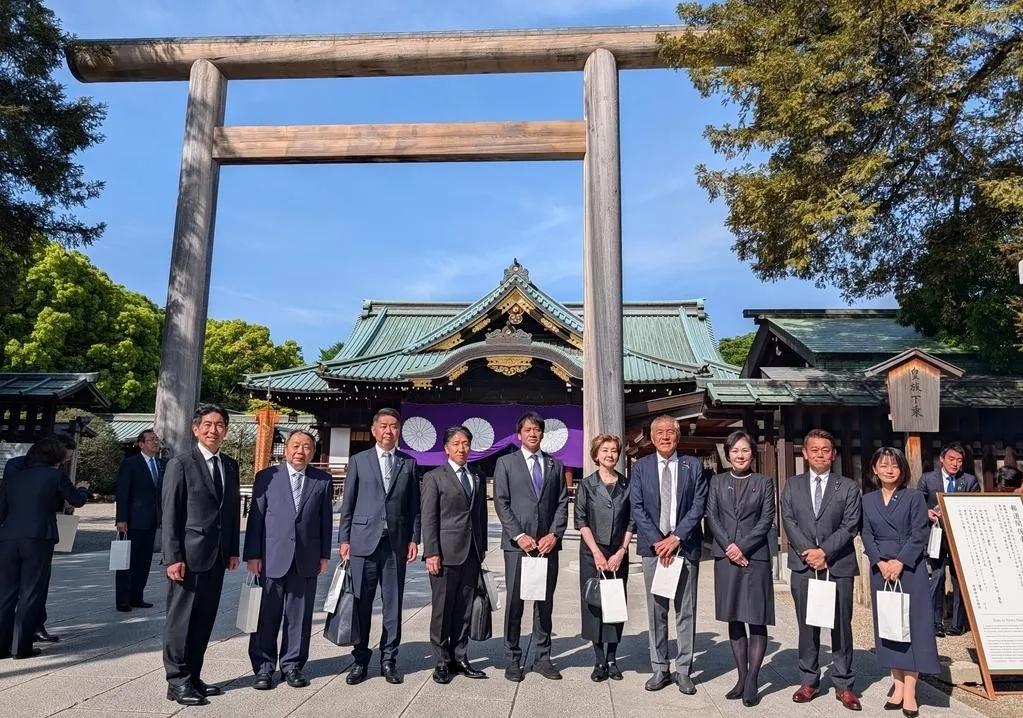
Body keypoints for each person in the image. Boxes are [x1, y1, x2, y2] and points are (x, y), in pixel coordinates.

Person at [162, 403, 241, 706]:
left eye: (219, 424)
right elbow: (170, 513)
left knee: (204, 619)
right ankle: (177, 680)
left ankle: (194, 675)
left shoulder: (229, 465)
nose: (213, 430)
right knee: (181, 620)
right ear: (195, 429)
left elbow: (231, 511)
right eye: (207, 424)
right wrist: (172, 557)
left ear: (226, 430)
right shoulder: (181, 463)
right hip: (188, 556)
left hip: (217, 555)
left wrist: (233, 549)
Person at [780, 428, 862, 711]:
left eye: (825, 450)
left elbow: (850, 525)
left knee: (841, 626)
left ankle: (844, 683)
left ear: (833, 454)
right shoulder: (792, 484)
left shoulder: (848, 487)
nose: (820, 455)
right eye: (814, 450)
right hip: (804, 566)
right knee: (807, 625)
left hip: (837, 565)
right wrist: (809, 553)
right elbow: (789, 521)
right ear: (805, 453)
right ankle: (809, 681)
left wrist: (825, 552)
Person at [338, 408, 421, 686]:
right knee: (361, 602)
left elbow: (414, 508)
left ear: (399, 431)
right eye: (383, 426)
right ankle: (360, 659)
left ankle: (389, 659)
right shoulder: (359, 460)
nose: (388, 431)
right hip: (363, 542)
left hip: (395, 544)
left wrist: (414, 538)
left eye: (394, 426)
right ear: (374, 430)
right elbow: (347, 504)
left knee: (393, 604)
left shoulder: (408, 463)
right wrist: (344, 539)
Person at [244, 430, 333, 690]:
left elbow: (325, 521)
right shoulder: (267, 477)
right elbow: (256, 518)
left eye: (307, 447)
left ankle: (293, 665)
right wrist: (253, 555)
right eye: (295, 445)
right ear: (286, 449)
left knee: (300, 615)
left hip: (306, 558)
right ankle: (263, 667)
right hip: (271, 556)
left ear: (313, 452)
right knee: (266, 615)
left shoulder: (322, 480)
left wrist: (324, 555)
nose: (300, 451)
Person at [629, 414, 708, 695]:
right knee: (656, 610)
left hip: (684, 546)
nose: (665, 436)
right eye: (659, 432)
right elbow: (636, 506)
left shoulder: (693, 466)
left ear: (678, 436)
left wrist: (675, 538)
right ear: (651, 438)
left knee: (685, 610)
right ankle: (660, 667)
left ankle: (684, 668)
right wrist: (658, 541)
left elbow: (699, 505)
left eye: (670, 432)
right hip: (654, 550)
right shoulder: (641, 467)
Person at [861, 447, 938, 718]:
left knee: (912, 625)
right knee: (890, 624)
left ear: (902, 469)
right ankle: (896, 683)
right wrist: (879, 562)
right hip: (880, 568)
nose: (889, 470)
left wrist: (900, 561)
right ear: (874, 469)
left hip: (909, 568)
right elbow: (866, 533)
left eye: (894, 465)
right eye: (883, 465)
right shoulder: (867, 500)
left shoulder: (914, 497)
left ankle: (910, 690)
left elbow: (919, 533)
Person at [493, 411, 569, 682]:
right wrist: (518, 535)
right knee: (515, 602)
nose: (533, 433)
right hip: (518, 546)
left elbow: (562, 503)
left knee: (544, 602)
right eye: (528, 429)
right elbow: (501, 502)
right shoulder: (505, 463)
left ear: (542, 434)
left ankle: (542, 656)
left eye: (537, 429)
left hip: (547, 545)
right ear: (519, 434)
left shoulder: (554, 465)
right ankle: (512, 657)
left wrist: (554, 534)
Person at [0, 435, 89, 659]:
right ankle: (21, 647)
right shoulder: (55, 475)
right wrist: (84, 489)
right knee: (31, 591)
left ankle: (1, 645)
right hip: (38, 537)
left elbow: (2, 509)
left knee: (6, 592)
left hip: (9, 536)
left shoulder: (15, 477)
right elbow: (76, 500)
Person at [705, 430, 775, 707]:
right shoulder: (718, 482)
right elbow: (712, 516)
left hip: (754, 556)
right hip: (726, 557)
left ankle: (754, 680)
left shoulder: (763, 482)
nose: (740, 455)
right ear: (728, 454)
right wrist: (729, 547)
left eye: (745, 450)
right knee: (734, 617)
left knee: (756, 617)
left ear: (752, 454)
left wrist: (742, 546)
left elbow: (766, 517)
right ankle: (741, 677)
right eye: (735, 451)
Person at [421, 425, 488, 684]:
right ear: (446, 448)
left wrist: (480, 548)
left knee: (464, 608)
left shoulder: (477, 477)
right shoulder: (434, 477)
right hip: (445, 553)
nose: (462, 448)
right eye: (456, 444)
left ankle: (460, 657)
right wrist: (432, 552)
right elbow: (429, 518)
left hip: (470, 552)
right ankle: (441, 661)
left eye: (466, 443)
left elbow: (479, 516)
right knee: (442, 609)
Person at [574, 433, 633, 682]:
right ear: (596, 454)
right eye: (605, 450)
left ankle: (612, 658)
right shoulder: (587, 485)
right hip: (592, 552)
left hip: (618, 552)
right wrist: (597, 552)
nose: (610, 455)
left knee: (615, 606)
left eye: (614, 451)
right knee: (595, 606)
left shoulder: (627, 484)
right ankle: (599, 660)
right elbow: (581, 520)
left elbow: (632, 520)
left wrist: (622, 551)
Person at [917, 443, 979, 637]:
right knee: (936, 577)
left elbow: (974, 506)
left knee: (959, 578)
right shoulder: (927, 479)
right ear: (942, 459)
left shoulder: (969, 481)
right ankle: (936, 621)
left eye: (959, 461)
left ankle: (958, 623)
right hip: (935, 535)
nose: (955, 464)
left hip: (959, 536)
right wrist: (927, 512)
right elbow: (918, 503)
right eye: (951, 459)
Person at [114, 429, 163, 611]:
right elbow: (123, 491)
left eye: (156, 439)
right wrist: (121, 518)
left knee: (144, 562)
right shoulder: (131, 464)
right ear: (141, 444)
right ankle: (123, 599)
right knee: (127, 561)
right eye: (151, 440)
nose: (155, 442)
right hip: (133, 520)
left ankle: (137, 596)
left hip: (152, 520)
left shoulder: (160, 464)